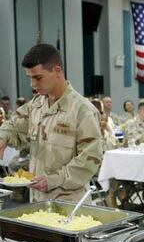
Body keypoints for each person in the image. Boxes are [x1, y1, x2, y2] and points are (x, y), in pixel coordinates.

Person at [0, 43, 102, 202]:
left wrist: (53, 180)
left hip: (68, 203)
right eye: (30, 78)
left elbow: (90, 159)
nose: (32, 85)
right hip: (37, 200)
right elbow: (13, 125)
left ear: (57, 71)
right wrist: (3, 138)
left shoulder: (82, 111)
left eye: (38, 77)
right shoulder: (37, 104)